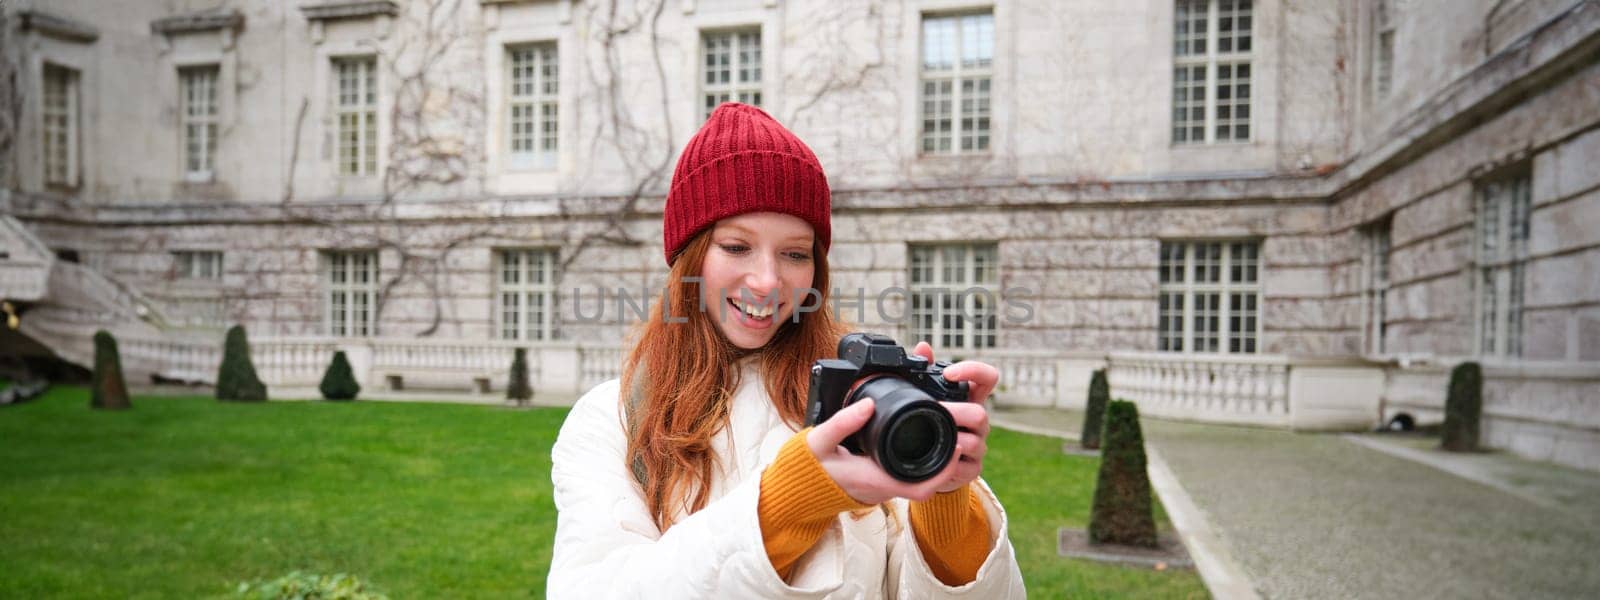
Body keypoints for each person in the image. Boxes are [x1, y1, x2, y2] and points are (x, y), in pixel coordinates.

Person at [547, 103, 1025, 598]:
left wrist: (945, 498)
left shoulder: (866, 400)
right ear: (689, 258)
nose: (767, 281)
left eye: (795, 254)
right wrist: (787, 502)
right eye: (736, 247)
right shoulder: (610, 421)